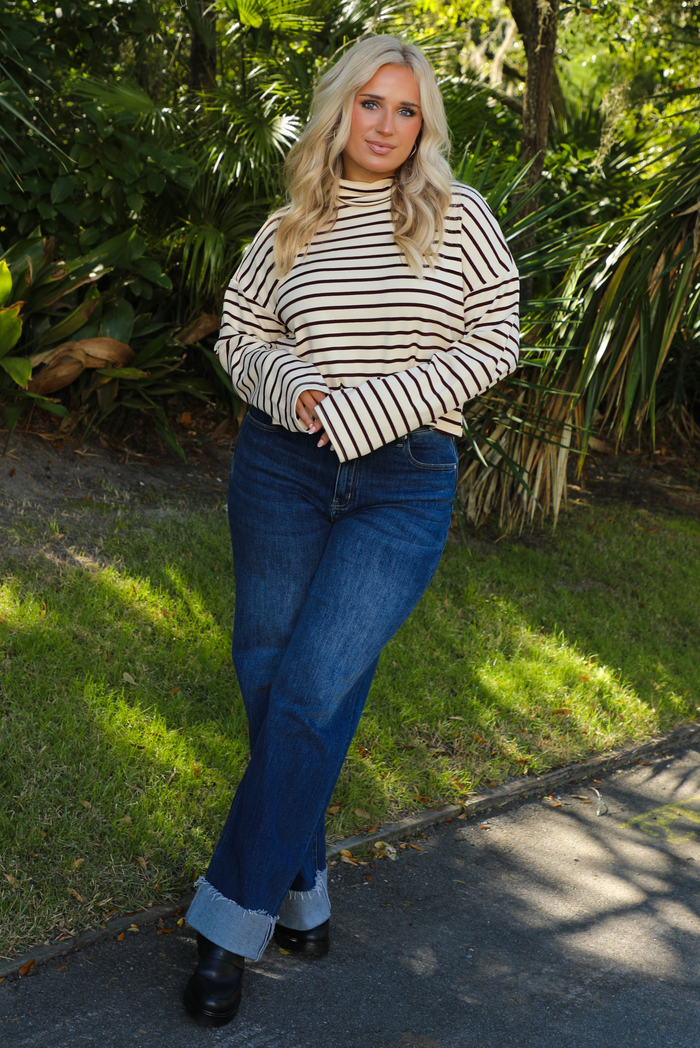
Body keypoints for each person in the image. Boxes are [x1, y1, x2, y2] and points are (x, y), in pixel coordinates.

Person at [183, 33, 519, 1027]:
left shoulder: (459, 219)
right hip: (281, 465)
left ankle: (227, 925)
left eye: (404, 110)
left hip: (401, 480)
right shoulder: (290, 223)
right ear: (340, 112)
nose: (384, 125)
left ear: (424, 126)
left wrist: (371, 407)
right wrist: (295, 388)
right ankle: (302, 887)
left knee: (312, 688)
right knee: (269, 679)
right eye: (369, 104)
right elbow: (243, 337)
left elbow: (494, 337)